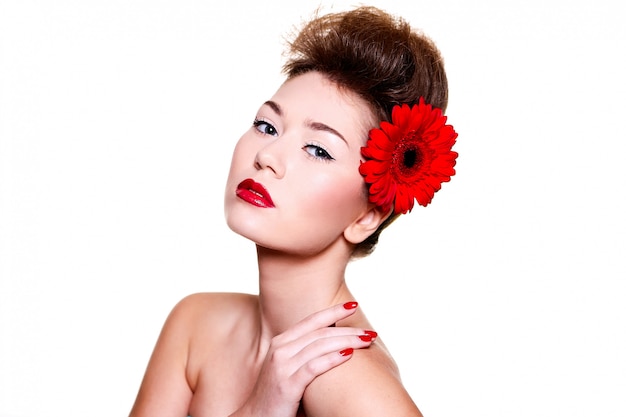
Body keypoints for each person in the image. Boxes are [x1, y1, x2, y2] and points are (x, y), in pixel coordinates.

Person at [129, 5, 457, 417]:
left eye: (318, 150)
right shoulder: (197, 324)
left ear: (367, 217)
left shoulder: (351, 380)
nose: (268, 156)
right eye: (267, 126)